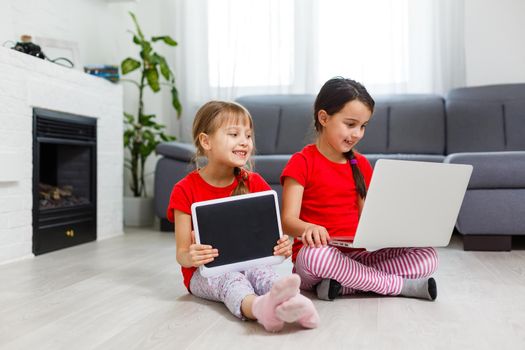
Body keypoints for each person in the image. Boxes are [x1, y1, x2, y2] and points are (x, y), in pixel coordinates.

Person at [280, 77, 439, 302]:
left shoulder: (361, 164)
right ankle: (397, 285)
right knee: (317, 256)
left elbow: (369, 219)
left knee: (428, 256)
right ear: (323, 118)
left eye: (363, 126)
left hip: (358, 258)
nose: (357, 134)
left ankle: (342, 286)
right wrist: (310, 227)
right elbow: (287, 221)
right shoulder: (302, 162)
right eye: (350, 124)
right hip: (315, 260)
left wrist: (401, 228)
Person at [167, 101, 319, 332]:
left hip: (252, 263)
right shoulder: (184, 189)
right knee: (230, 280)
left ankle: (294, 303)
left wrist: (281, 247)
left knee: (264, 274)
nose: (244, 142)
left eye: (248, 135)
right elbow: (181, 254)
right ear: (206, 141)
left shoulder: (255, 183)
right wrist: (192, 256)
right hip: (204, 274)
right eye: (234, 134)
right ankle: (258, 308)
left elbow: (272, 238)